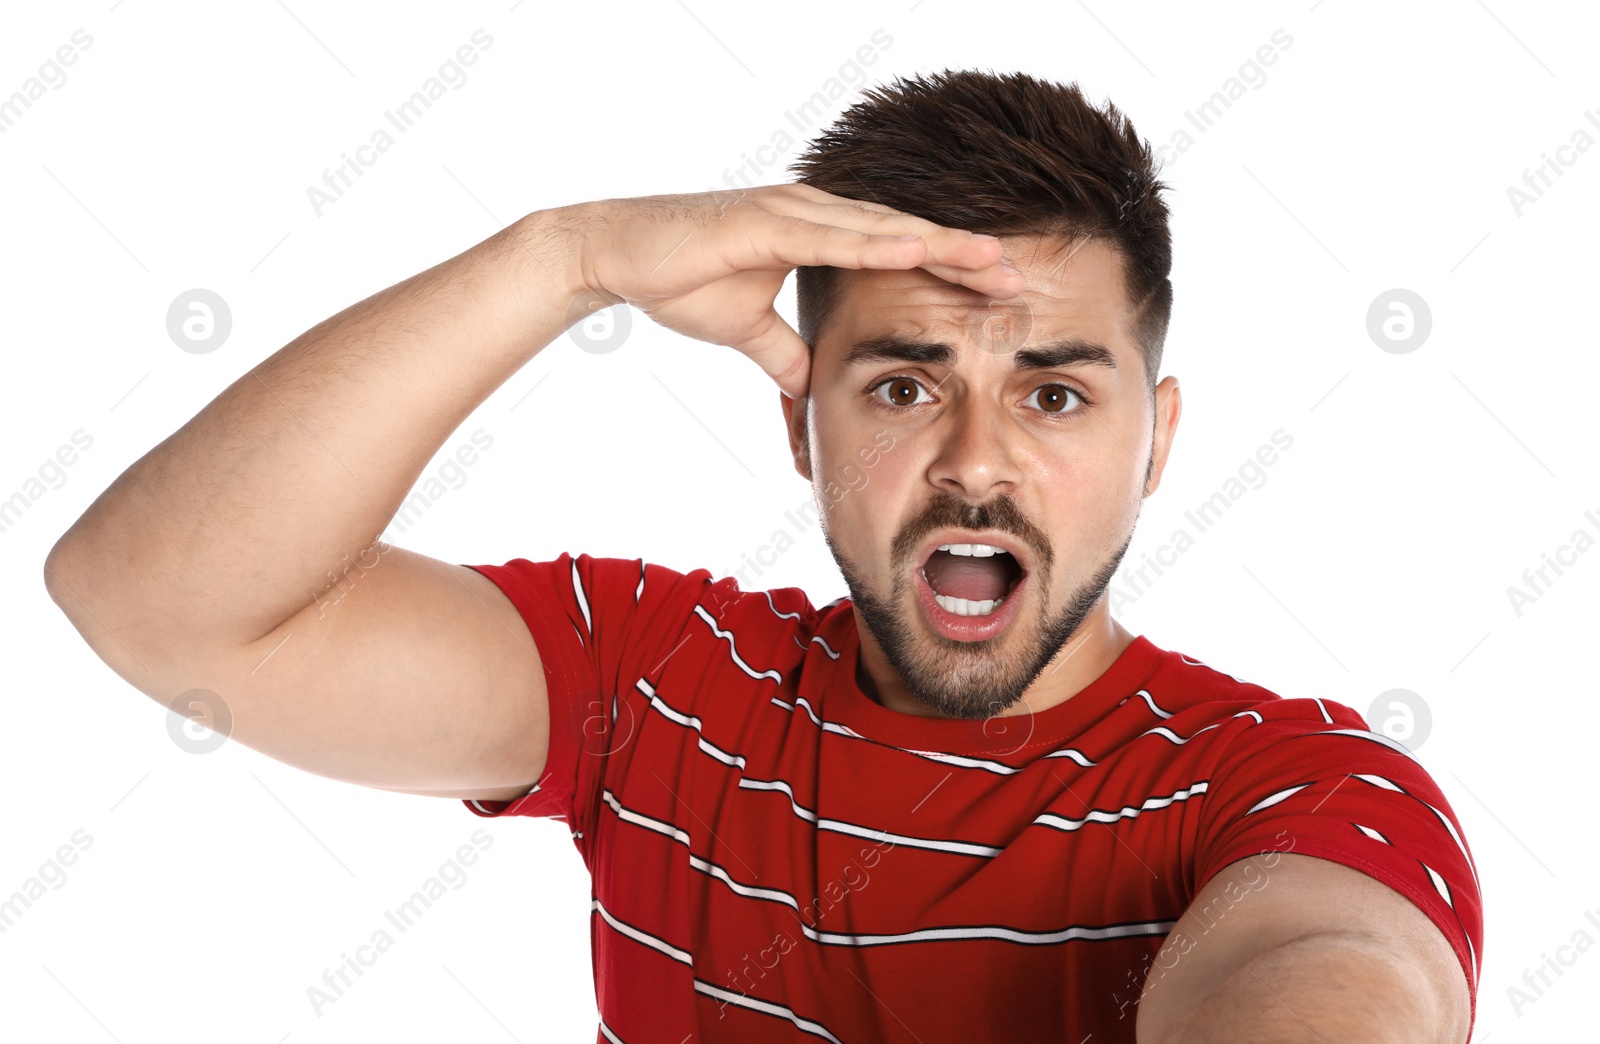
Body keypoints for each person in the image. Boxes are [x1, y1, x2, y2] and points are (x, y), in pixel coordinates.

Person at [45, 69, 1480, 1042]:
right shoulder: (664, 686)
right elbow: (159, 602)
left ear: (1154, 441)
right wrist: (566, 257)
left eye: (1053, 394)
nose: (977, 461)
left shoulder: (1292, 783)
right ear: (802, 426)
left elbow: (1331, 969)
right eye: (905, 386)